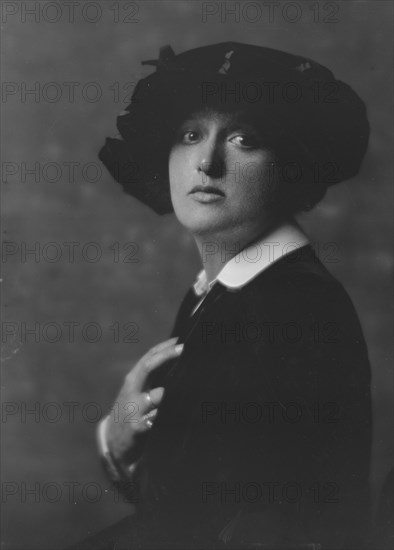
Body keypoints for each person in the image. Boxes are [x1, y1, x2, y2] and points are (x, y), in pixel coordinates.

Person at [70, 42, 372, 549]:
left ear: (292, 165)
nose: (206, 162)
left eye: (243, 140)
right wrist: (118, 439)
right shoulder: (224, 292)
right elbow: (182, 503)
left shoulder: (291, 311)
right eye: (190, 134)